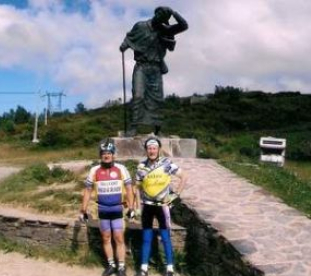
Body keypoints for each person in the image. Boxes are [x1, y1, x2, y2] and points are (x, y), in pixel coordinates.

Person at [120, 7, 188, 136]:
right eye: (160, 14)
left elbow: (184, 25)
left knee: (157, 100)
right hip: (141, 66)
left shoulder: (164, 30)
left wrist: (173, 13)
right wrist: (124, 45)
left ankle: (158, 128)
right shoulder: (140, 26)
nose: (160, 18)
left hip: (156, 69)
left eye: (164, 17)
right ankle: (133, 126)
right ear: (156, 13)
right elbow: (130, 37)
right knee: (138, 95)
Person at [80, 138, 135, 276]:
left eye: (109, 153)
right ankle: (111, 265)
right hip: (103, 210)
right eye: (103, 153)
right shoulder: (94, 170)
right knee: (105, 238)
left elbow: (129, 189)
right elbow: (87, 190)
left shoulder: (121, 169)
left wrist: (132, 208)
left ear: (113, 154)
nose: (106, 155)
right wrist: (83, 210)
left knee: (119, 238)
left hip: (117, 209)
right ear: (100, 155)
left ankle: (121, 267)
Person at [134, 137, 188, 276]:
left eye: (154, 148)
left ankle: (170, 268)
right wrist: (137, 206)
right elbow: (137, 187)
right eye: (149, 148)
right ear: (146, 150)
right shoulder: (141, 166)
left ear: (158, 150)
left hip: (162, 206)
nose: (152, 151)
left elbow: (184, 177)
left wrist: (175, 195)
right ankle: (144, 268)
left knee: (165, 237)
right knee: (146, 237)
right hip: (147, 205)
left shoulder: (166, 163)